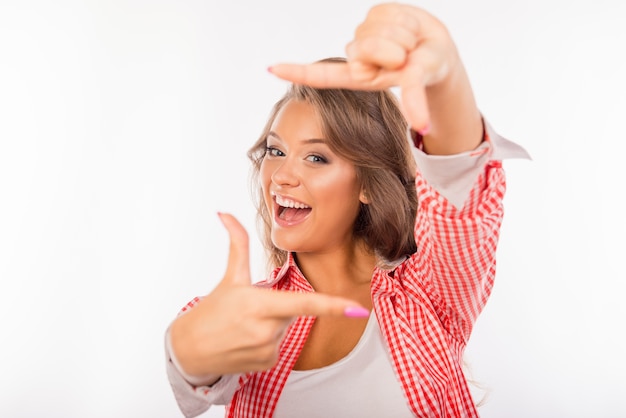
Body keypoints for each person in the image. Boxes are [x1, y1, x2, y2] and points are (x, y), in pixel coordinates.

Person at [165, 3, 530, 417]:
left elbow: (458, 196)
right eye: (276, 150)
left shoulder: (428, 294)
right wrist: (189, 348)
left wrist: (444, 78)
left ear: (367, 185)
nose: (281, 175)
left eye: (316, 158)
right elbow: (191, 367)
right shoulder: (248, 315)